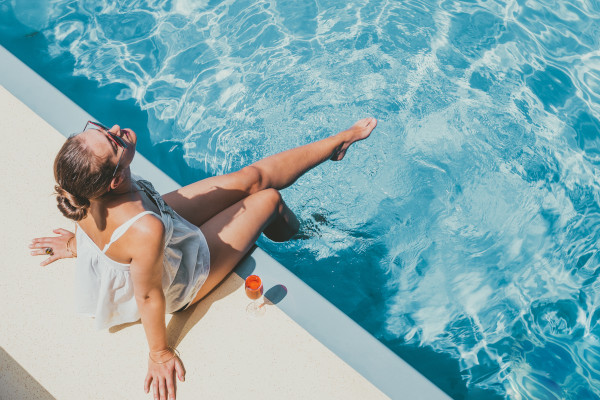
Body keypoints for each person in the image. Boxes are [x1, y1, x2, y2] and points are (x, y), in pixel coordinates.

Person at [29, 117, 377, 400]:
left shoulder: (77, 185)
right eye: (113, 142)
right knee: (268, 199)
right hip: (183, 274)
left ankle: (338, 142)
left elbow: (98, 233)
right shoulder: (143, 230)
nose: (116, 130)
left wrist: (78, 247)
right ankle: (304, 237)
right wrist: (159, 354)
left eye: (103, 130)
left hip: (163, 224)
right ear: (116, 178)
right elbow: (148, 296)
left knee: (251, 179)